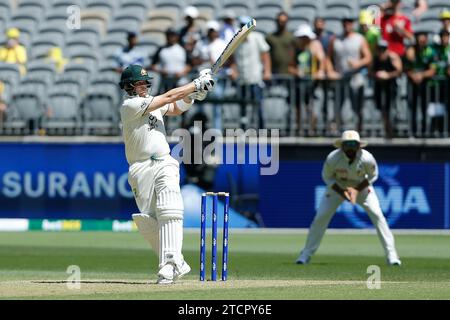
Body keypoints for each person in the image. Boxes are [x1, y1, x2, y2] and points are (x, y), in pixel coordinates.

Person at [118, 64, 215, 284]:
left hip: (163, 161)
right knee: (148, 221)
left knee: (169, 208)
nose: (144, 86)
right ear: (129, 86)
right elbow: (169, 96)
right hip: (139, 169)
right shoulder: (129, 105)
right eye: (140, 83)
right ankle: (177, 262)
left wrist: (193, 96)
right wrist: (195, 84)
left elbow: (176, 107)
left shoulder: (151, 102)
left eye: (145, 82)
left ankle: (168, 266)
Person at [296, 130, 402, 266]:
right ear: (342, 146)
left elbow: (373, 176)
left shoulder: (367, 158)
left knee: (378, 215)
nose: (351, 148)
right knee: (321, 216)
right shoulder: (333, 158)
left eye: (354, 144)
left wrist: (356, 190)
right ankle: (305, 255)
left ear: (359, 146)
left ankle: (392, 256)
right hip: (338, 186)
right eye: (348, 144)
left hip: (361, 187)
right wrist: (342, 191)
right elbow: (327, 177)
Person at [328, 17, 372, 133]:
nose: (347, 25)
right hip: (340, 78)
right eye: (345, 22)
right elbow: (328, 58)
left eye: (349, 23)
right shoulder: (335, 39)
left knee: (357, 107)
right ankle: (338, 131)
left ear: (352, 24)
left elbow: (368, 58)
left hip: (355, 79)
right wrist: (330, 71)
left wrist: (358, 63)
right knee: (338, 105)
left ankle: (359, 131)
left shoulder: (359, 39)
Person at [231, 15, 272, 129]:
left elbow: (265, 55)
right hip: (242, 79)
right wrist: (234, 71)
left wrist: (267, 71)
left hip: (255, 78)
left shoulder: (257, 37)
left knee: (258, 104)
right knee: (243, 105)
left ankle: (261, 129)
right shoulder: (236, 40)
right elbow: (234, 59)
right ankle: (243, 129)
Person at [289, 24, 326, 135]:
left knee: (312, 108)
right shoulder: (296, 49)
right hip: (300, 84)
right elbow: (290, 67)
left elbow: (322, 61)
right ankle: (300, 129)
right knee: (299, 108)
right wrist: (296, 72)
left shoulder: (315, 46)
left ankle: (312, 130)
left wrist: (320, 72)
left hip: (313, 84)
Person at [192, 20, 228, 129]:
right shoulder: (201, 43)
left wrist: (218, 64)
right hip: (202, 78)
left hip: (217, 78)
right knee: (199, 104)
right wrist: (205, 60)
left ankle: (217, 131)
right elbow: (194, 60)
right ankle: (200, 130)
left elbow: (229, 61)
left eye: (213, 30)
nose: (211, 32)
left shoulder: (222, 43)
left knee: (217, 105)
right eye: (210, 30)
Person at [405, 31, 436, 137]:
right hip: (412, 84)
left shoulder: (430, 51)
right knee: (412, 108)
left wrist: (421, 75)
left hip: (425, 85)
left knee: (424, 108)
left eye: (424, 38)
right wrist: (413, 76)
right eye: (420, 38)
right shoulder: (411, 50)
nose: (422, 41)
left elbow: (432, 70)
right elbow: (407, 68)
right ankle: (413, 132)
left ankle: (424, 132)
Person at [373, 40, 403, 138]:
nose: (381, 52)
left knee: (392, 109)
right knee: (382, 110)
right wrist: (377, 75)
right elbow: (370, 71)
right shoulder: (375, 58)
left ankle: (392, 131)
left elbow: (399, 71)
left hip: (391, 87)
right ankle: (386, 130)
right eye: (380, 49)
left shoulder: (393, 57)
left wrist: (387, 75)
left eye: (383, 49)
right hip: (379, 87)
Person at [150, 28, 191, 92]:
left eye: (173, 35)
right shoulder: (161, 49)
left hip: (180, 82)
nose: (171, 37)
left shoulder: (182, 49)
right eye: (169, 35)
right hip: (166, 83)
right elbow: (152, 65)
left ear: (177, 36)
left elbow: (189, 65)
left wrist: (182, 73)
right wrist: (161, 71)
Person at [428, 29, 450, 135]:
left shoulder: (449, 50)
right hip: (437, 84)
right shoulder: (435, 50)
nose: (444, 39)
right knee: (436, 107)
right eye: (443, 36)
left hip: (447, 84)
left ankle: (446, 129)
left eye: (446, 36)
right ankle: (436, 129)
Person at [266, 12, 297, 76]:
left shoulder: (291, 37)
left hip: (288, 73)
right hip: (274, 72)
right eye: (279, 21)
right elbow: (266, 54)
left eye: (284, 22)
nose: (281, 23)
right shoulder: (270, 37)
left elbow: (297, 53)